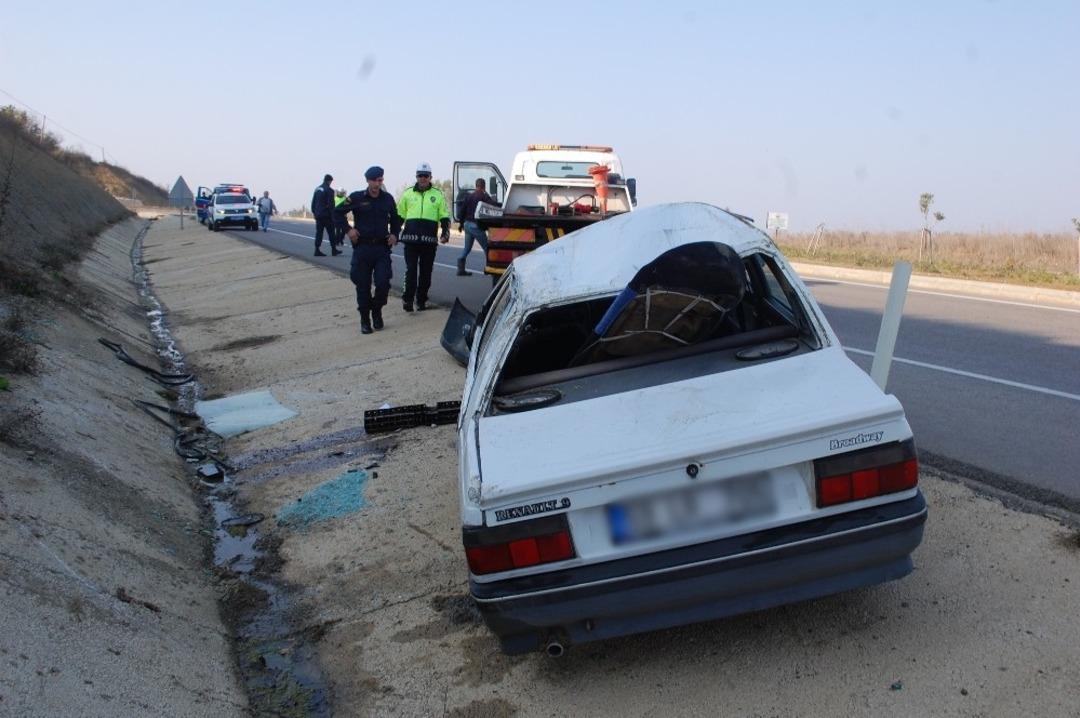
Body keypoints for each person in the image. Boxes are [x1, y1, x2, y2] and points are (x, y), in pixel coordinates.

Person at [334, 166, 402, 334]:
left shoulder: (387, 199)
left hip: (381, 249)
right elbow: (337, 213)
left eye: (380, 180)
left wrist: (395, 234)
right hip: (363, 248)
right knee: (362, 285)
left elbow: (396, 219)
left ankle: (376, 310)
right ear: (368, 181)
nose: (378, 184)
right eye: (375, 181)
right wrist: (348, 230)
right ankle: (365, 320)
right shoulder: (357, 197)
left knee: (383, 283)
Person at [396, 162, 450, 311]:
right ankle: (407, 300)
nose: (423, 178)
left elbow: (444, 216)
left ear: (430, 177)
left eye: (426, 176)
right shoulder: (407, 194)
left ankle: (421, 301)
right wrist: (394, 233)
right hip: (410, 241)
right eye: (420, 175)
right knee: (411, 271)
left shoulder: (438, 194)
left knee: (426, 273)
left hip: (429, 242)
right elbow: (399, 216)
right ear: (416, 176)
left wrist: (445, 233)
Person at [456, 178, 493, 276]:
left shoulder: (469, 196)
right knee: (487, 248)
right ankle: (489, 268)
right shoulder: (483, 196)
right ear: (484, 186)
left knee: (467, 248)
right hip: (476, 226)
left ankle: (460, 269)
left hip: (467, 225)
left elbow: (462, 211)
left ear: (476, 185)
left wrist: (460, 224)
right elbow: (492, 205)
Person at [311, 173, 340, 256]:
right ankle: (334, 250)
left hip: (318, 215)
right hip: (326, 215)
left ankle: (317, 249)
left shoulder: (317, 189)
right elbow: (331, 205)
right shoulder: (329, 190)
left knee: (319, 233)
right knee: (331, 233)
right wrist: (333, 216)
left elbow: (313, 203)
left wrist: (314, 213)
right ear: (329, 181)